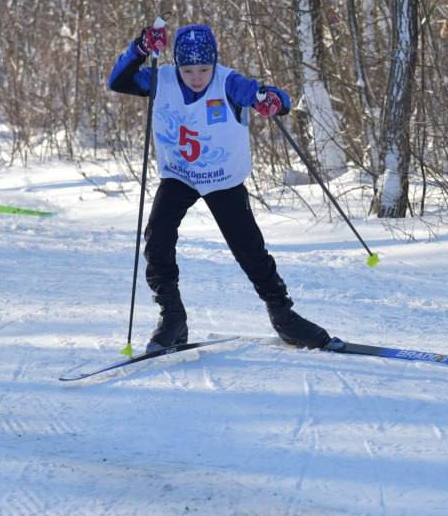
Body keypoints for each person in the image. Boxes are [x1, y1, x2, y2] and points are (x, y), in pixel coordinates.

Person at [107, 22, 332, 352]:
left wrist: (273, 101)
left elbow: (273, 97)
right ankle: (172, 318)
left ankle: (284, 316)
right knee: (157, 240)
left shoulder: (228, 82)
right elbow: (118, 81)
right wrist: (140, 48)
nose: (196, 77)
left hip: (222, 178)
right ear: (177, 65)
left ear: (214, 63)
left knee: (249, 249)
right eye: (188, 70)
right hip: (180, 175)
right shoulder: (161, 79)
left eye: (204, 69)